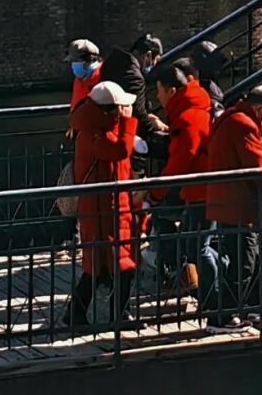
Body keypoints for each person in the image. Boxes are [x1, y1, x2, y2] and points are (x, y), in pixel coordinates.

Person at [200, 85, 262, 333]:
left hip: (232, 202)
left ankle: (261, 306)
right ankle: (222, 317)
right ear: (261, 108)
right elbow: (256, 168)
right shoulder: (244, 125)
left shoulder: (230, 119)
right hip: (238, 206)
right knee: (245, 263)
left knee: (258, 256)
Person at [64, 80, 138, 330]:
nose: (125, 111)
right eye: (121, 108)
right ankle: (118, 315)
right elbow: (119, 151)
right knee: (113, 265)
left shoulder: (95, 129)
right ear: (109, 110)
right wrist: (128, 123)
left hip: (109, 209)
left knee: (102, 267)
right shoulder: (93, 135)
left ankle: (81, 314)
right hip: (102, 212)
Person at [146, 63, 213, 294]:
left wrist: (154, 194)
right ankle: (195, 282)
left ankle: (212, 294)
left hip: (200, 190)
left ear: (171, 91)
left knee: (199, 249)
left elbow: (180, 161)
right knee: (196, 246)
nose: (157, 97)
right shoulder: (194, 107)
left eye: (159, 91)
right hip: (200, 188)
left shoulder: (186, 117)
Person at [99, 34, 164, 137]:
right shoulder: (135, 76)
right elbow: (137, 113)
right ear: (148, 55)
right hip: (120, 129)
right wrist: (152, 127)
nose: (154, 64)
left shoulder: (111, 63)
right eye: (155, 60)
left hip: (103, 125)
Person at [65, 38, 102, 110]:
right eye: (72, 61)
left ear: (89, 59)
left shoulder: (103, 77)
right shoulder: (79, 78)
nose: (73, 64)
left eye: (76, 60)